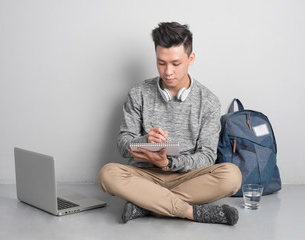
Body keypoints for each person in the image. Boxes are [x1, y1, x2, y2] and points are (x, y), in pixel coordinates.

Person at [98, 22, 242, 225]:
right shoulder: (138, 93)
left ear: (191, 59)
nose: (168, 72)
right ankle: (191, 212)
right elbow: (123, 144)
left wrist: (168, 163)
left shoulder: (208, 101)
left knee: (232, 176)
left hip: (188, 177)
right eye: (161, 63)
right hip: (144, 176)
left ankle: (147, 204)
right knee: (108, 174)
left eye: (175, 63)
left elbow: (207, 157)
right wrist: (144, 139)